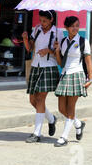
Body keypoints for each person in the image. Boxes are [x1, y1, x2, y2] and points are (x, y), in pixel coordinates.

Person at [22, 10, 62, 143]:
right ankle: (51, 119)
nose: (42, 23)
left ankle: (36, 133)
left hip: (49, 67)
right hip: (36, 66)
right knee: (32, 100)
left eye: (45, 21)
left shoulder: (57, 32)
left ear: (51, 20)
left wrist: (50, 50)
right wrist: (25, 39)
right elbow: (30, 48)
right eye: (41, 20)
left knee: (40, 99)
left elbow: (60, 53)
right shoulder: (37, 29)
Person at [53, 16, 92, 147]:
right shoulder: (63, 41)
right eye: (72, 26)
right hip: (64, 75)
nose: (75, 28)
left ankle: (64, 137)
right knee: (61, 108)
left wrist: (90, 78)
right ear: (66, 27)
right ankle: (78, 123)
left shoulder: (83, 41)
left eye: (77, 25)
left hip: (77, 75)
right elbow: (60, 63)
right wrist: (57, 51)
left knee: (70, 108)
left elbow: (88, 61)